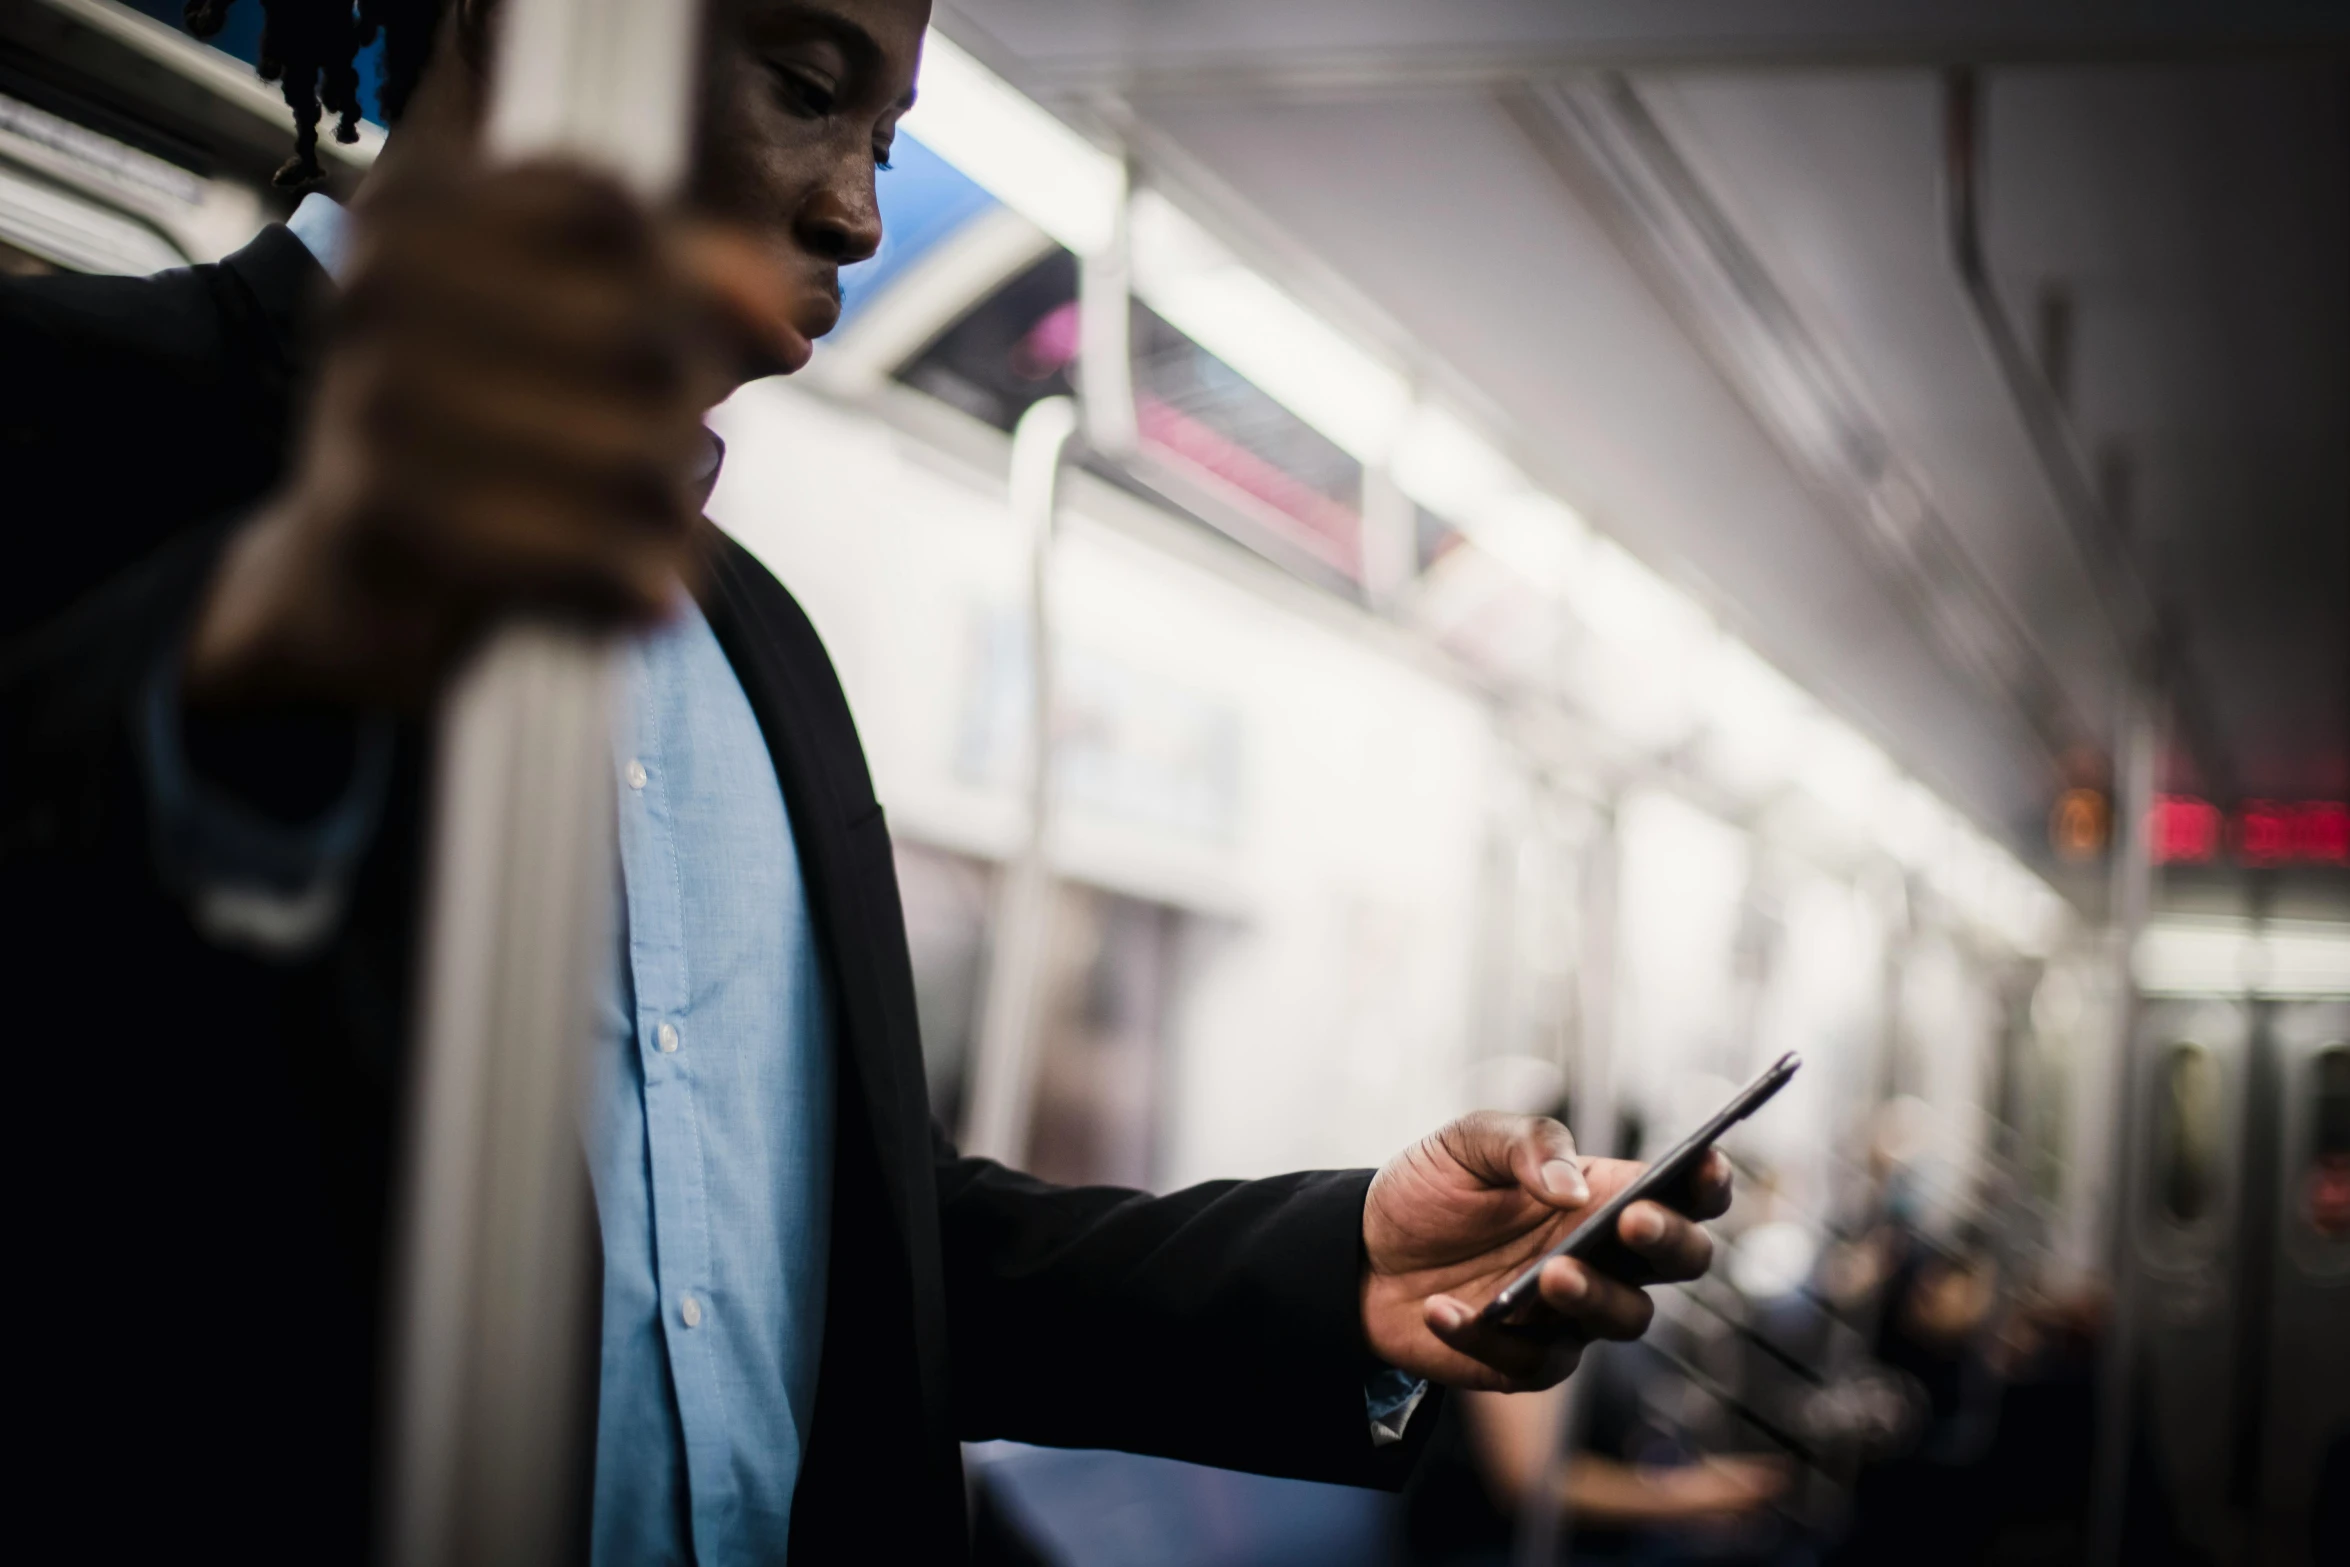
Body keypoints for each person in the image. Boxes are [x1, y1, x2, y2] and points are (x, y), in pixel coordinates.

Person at [0, 1, 1730, 1561]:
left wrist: (1345, 1268)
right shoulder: (68, 420)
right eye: (803, 86)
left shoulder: (759, 651)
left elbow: (857, 1255)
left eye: (885, 139)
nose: (855, 213)